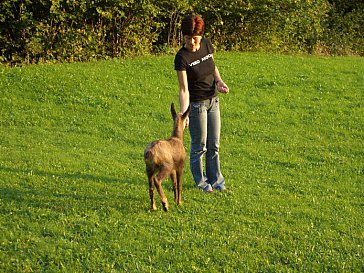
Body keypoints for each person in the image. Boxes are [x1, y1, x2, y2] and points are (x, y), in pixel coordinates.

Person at [174, 14, 229, 193]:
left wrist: (219, 81)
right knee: (200, 146)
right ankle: (202, 183)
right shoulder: (181, 58)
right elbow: (183, 89)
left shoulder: (206, 44)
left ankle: (217, 181)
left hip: (213, 100)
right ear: (184, 36)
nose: (192, 43)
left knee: (214, 145)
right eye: (188, 39)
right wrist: (184, 114)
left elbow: (212, 66)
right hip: (197, 106)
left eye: (195, 38)